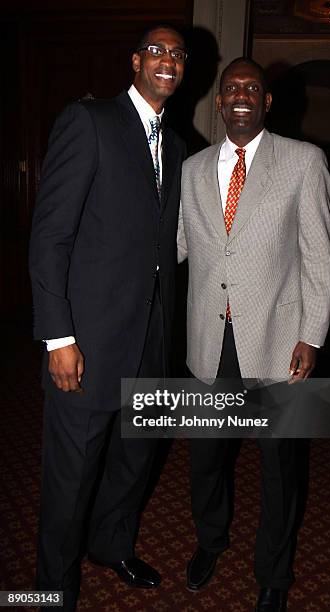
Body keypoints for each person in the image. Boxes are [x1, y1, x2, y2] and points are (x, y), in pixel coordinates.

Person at [29, 25, 186, 611]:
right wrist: (59, 336)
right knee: (70, 481)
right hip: (87, 343)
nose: (166, 60)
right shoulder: (90, 121)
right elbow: (50, 238)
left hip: (150, 338)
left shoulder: (178, 145)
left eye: (176, 53)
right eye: (156, 50)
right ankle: (52, 593)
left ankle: (111, 545)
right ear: (135, 61)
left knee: (133, 458)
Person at [177, 58, 330, 611]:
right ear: (218, 103)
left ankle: (274, 573)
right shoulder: (192, 169)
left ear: (267, 102)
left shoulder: (304, 162)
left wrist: (311, 335)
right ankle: (210, 540)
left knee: (279, 469)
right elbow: (177, 246)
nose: (240, 94)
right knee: (206, 460)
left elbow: (319, 256)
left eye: (252, 88)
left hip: (277, 338)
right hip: (206, 340)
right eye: (230, 88)